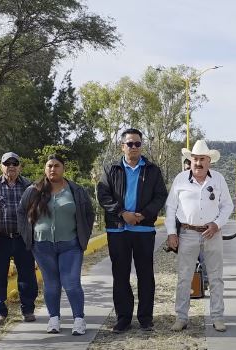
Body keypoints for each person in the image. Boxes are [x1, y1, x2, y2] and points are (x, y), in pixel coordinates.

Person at [97, 128, 168, 333]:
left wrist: (144, 214)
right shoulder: (111, 169)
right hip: (118, 230)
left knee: (145, 275)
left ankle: (145, 318)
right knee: (120, 275)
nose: (134, 147)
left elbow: (160, 196)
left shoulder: (152, 170)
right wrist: (122, 213)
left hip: (143, 230)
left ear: (141, 146)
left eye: (137, 143)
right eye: (130, 143)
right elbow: (103, 195)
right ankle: (123, 318)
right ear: (123, 146)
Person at [18, 155, 95, 336]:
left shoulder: (76, 190)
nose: (53, 169)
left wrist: (84, 235)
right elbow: (21, 212)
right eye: (49, 166)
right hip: (42, 246)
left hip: (70, 245)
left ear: (63, 168)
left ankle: (79, 319)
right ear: (45, 169)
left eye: (56, 166)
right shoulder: (33, 190)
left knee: (71, 283)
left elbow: (88, 214)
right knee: (51, 284)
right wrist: (28, 236)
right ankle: (54, 319)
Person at [165, 140, 234, 332]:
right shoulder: (180, 179)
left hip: (213, 234)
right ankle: (181, 317)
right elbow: (170, 208)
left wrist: (217, 224)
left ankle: (218, 317)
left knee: (216, 278)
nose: (198, 163)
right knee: (184, 277)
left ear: (209, 161)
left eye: (202, 159)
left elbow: (227, 206)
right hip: (187, 233)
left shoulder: (218, 179)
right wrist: (171, 233)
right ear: (191, 160)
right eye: (195, 159)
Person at [0, 152, 38, 325]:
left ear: (20, 167)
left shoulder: (29, 186)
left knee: (27, 276)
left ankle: (28, 310)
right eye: (7, 163)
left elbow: (37, 211)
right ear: (1, 166)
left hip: (22, 238)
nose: (11, 166)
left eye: (15, 163)